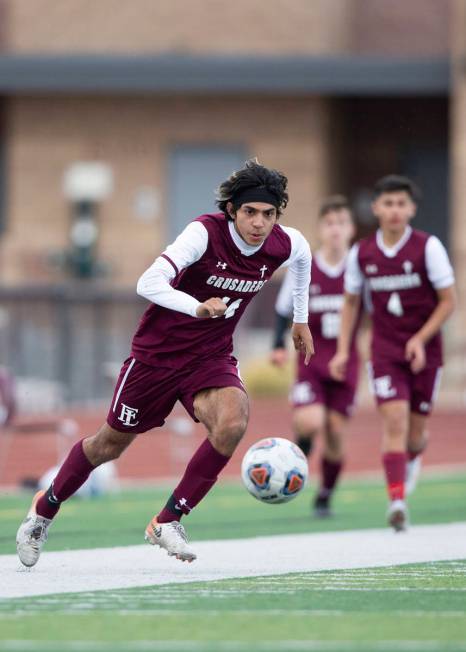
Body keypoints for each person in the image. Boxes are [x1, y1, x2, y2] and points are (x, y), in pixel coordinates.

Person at [16, 159, 314, 567]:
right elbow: (148, 283)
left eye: (268, 214)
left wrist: (300, 319)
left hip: (211, 358)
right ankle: (45, 509)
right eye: (250, 212)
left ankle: (169, 519)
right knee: (108, 445)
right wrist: (196, 307)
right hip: (156, 357)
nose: (259, 223)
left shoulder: (284, 242)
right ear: (232, 210)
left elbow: (303, 257)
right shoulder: (203, 233)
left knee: (232, 422)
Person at [329, 175, 456, 532]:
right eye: (388, 203)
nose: (395, 210)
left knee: (415, 434)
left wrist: (420, 338)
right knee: (394, 421)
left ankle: (413, 457)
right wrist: (343, 350)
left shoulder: (427, 247)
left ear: (412, 209)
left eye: (401, 204)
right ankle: (397, 501)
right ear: (376, 208)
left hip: (426, 352)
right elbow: (351, 303)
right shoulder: (362, 253)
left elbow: (449, 302)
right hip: (384, 351)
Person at [270, 195, 358, 517]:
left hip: (346, 363)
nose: (335, 229)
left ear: (351, 229)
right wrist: (277, 346)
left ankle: (325, 495)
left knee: (335, 432)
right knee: (310, 421)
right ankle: (297, 459)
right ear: (321, 229)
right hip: (310, 361)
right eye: (329, 223)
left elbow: (376, 313)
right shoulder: (304, 266)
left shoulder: (359, 268)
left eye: (341, 223)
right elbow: (283, 310)